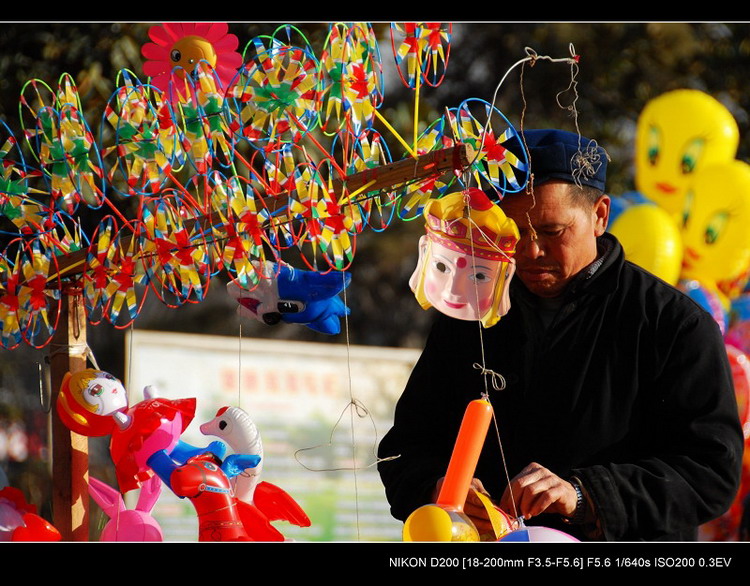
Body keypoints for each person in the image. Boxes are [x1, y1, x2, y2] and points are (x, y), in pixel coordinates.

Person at [377, 128, 744, 541]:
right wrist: (438, 488)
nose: (530, 251)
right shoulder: (470, 311)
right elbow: (405, 447)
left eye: (552, 231)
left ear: (600, 215)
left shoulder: (672, 324)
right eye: (513, 233)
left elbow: (710, 472)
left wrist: (585, 495)